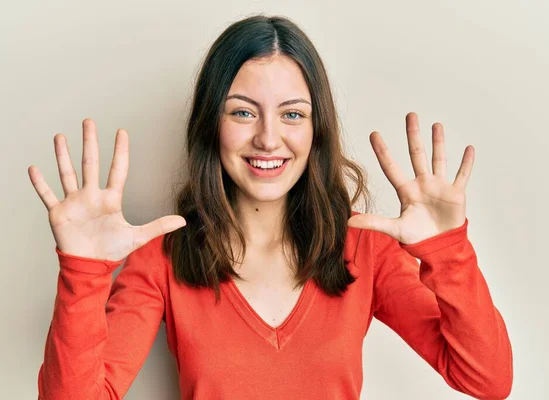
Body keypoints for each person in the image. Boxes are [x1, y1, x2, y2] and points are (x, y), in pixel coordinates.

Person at [31, 14, 513, 400]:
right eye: (242, 111)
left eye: (292, 114)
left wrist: (448, 252)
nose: (267, 137)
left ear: (315, 129)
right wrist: (84, 272)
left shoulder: (367, 252)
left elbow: (488, 381)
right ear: (210, 125)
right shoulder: (162, 259)